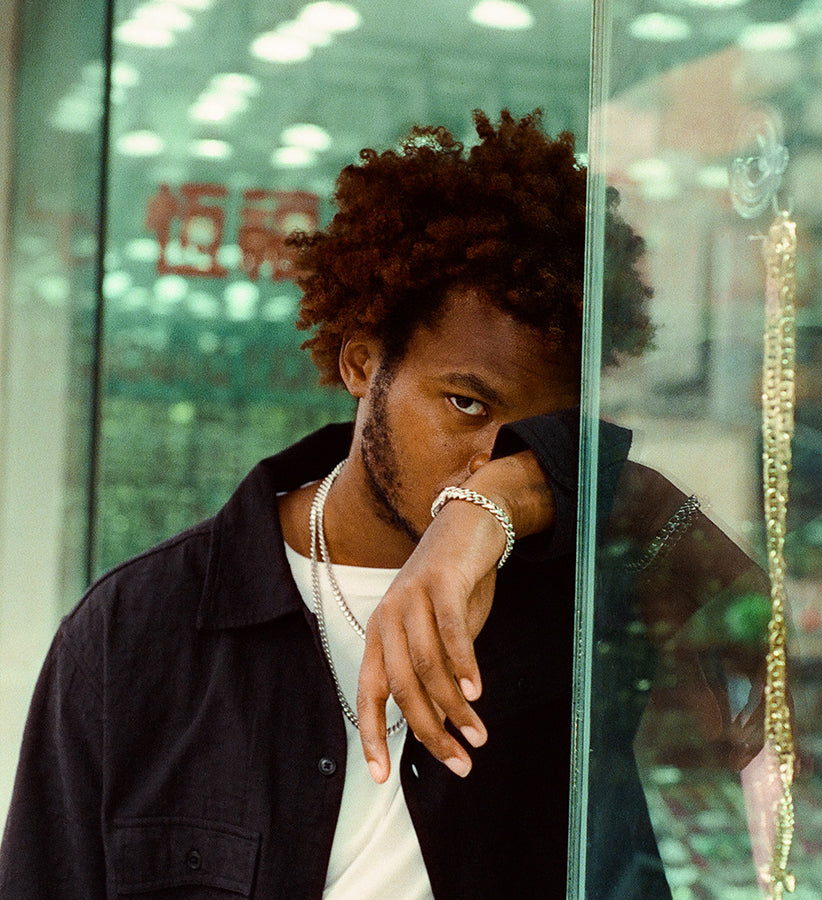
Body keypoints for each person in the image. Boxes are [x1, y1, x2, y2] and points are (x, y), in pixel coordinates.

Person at [0, 110, 767, 899]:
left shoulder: (584, 596)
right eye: (466, 404)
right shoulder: (138, 634)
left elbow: (766, 636)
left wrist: (500, 500)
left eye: (535, 431)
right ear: (364, 363)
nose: (487, 453)